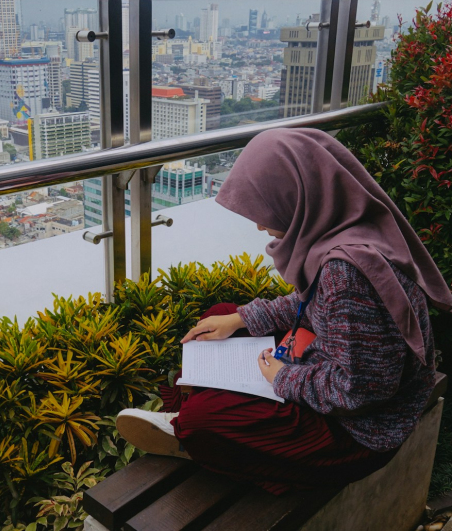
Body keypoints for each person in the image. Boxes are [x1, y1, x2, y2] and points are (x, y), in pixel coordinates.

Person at [116, 128, 452, 494]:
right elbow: (315, 304)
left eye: (266, 209)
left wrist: (281, 378)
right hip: (329, 363)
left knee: (202, 421)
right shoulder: (349, 226)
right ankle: (206, 407)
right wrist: (239, 318)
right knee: (222, 313)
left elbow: (361, 392)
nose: (261, 224)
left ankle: (196, 428)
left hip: (358, 432)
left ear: (298, 195)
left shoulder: (348, 273)